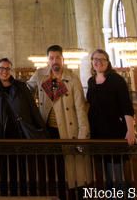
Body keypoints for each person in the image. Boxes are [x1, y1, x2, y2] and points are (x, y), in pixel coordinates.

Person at [28, 44, 90, 196]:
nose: (54, 61)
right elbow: (25, 90)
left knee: (73, 171)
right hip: (48, 131)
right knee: (52, 168)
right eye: (51, 58)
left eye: (57, 58)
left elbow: (81, 109)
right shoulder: (40, 74)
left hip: (69, 131)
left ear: (63, 59)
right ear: (48, 60)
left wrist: (83, 136)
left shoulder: (72, 79)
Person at [0, 57, 45, 195]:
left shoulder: (21, 87)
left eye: (7, 68)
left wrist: (41, 128)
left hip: (20, 133)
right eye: (1, 68)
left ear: (10, 70)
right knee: (3, 169)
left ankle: (23, 195)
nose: (4, 71)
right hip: (1, 135)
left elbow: (32, 108)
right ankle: (5, 195)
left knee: (22, 168)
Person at [86, 48, 136, 190]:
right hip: (97, 133)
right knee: (103, 176)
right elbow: (89, 105)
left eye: (102, 59)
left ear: (108, 62)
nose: (98, 62)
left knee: (116, 176)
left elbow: (126, 106)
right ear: (92, 62)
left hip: (114, 132)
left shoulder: (116, 80)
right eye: (95, 59)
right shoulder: (91, 81)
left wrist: (130, 130)